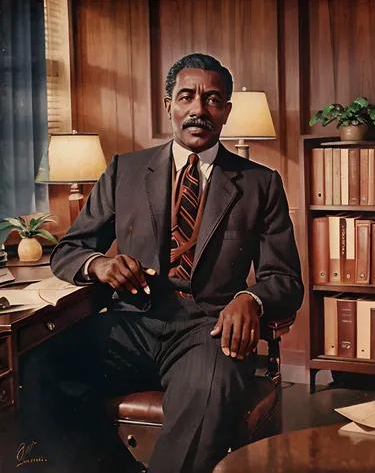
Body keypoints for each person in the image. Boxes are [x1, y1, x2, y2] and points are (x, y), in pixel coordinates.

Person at [29, 53, 303, 473]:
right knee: (39, 368)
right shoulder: (124, 170)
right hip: (130, 325)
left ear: (226, 111)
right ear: (169, 105)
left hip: (209, 331)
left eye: (212, 100)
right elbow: (70, 250)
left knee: (205, 396)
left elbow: (284, 278)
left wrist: (251, 297)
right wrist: (100, 265)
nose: (198, 109)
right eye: (187, 96)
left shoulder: (259, 183)